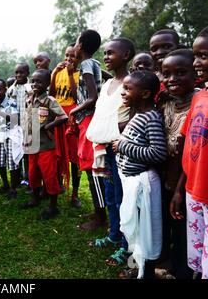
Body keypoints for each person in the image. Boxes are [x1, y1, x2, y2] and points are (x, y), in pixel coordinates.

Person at [113, 70, 167, 279]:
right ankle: (139, 268)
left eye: (128, 89)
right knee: (137, 231)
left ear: (145, 94)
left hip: (144, 184)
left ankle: (147, 272)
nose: (123, 93)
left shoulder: (151, 117)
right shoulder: (139, 115)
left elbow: (158, 153)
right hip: (133, 182)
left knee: (146, 233)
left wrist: (124, 146)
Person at [86, 38, 135, 266]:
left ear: (126, 55)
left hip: (121, 149)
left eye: (111, 53)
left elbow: (133, 116)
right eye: (104, 53)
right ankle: (114, 234)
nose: (106, 57)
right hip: (105, 148)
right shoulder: (107, 84)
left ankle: (127, 244)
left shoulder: (130, 82)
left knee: (124, 197)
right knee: (111, 194)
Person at [170, 26, 208, 279]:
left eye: (203, 56)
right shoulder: (200, 97)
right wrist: (179, 189)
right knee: (198, 259)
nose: (196, 62)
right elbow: (190, 149)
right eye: (195, 56)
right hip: (193, 193)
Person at [158, 49, 198, 279]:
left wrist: (179, 189)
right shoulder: (166, 103)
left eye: (180, 73)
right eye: (167, 74)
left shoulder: (199, 103)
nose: (172, 79)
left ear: (196, 74)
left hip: (187, 182)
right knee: (169, 225)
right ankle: (169, 264)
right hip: (166, 178)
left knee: (185, 231)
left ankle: (185, 270)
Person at [70, 29, 107, 231]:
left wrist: (73, 111)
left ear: (81, 46)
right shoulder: (95, 64)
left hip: (89, 121)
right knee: (90, 168)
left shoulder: (86, 64)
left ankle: (100, 218)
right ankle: (98, 210)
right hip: (89, 120)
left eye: (76, 43)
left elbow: (92, 98)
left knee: (92, 170)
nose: (74, 47)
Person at [19, 69, 68, 220]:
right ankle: (35, 198)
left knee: (49, 176)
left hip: (46, 146)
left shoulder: (49, 101)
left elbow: (63, 116)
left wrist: (48, 126)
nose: (35, 84)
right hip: (31, 145)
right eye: (33, 81)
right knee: (33, 174)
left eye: (39, 81)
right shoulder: (29, 99)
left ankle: (53, 207)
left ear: (47, 84)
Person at [50, 43, 82, 208]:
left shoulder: (80, 75)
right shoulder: (58, 72)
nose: (69, 59)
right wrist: (55, 72)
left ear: (79, 58)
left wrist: (70, 75)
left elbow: (78, 98)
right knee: (57, 154)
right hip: (58, 115)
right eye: (67, 55)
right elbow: (51, 95)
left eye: (73, 56)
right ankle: (59, 184)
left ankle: (75, 194)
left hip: (72, 117)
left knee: (74, 157)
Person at [0, 79, 22, 199]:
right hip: (1, 134)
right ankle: (5, 184)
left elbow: (14, 119)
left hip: (12, 135)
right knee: (0, 161)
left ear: (5, 90)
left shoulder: (11, 102)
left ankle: (13, 188)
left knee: (12, 163)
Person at [7, 63, 33, 189]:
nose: (18, 75)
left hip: (28, 126)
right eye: (16, 73)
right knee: (17, 152)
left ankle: (29, 178)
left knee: (27, 153)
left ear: (27, 73)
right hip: (15, 127)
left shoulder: (31, 88)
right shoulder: (12, 89)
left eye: (21, 72)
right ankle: (19, 178)